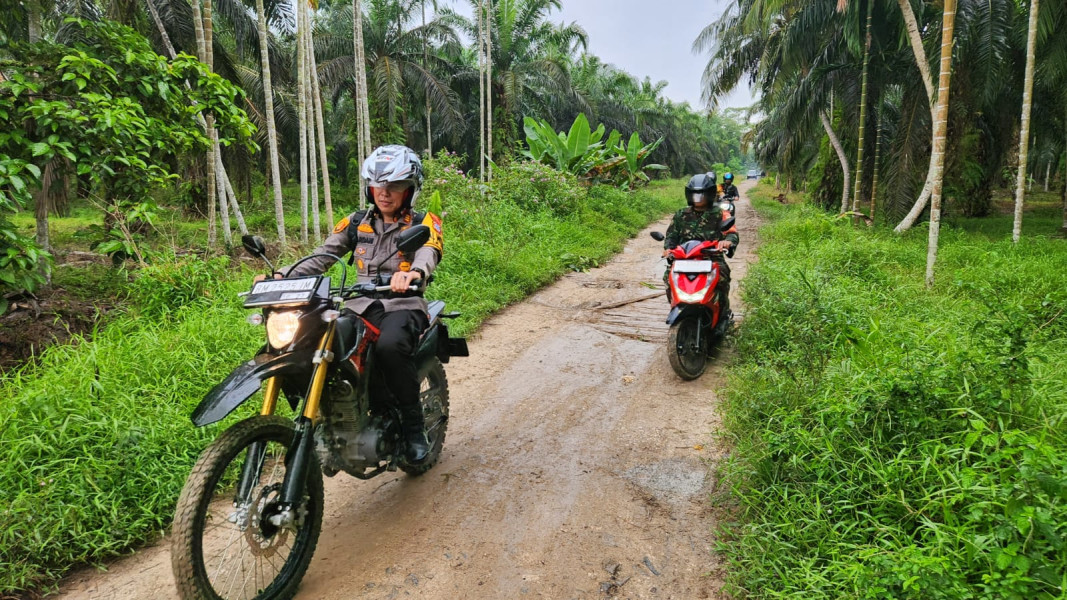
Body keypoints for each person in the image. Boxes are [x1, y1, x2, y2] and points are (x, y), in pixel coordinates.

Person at [262, 145, 444, 464]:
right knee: (306, 340)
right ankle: (322, 416)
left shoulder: (423, 220)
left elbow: (429, 250)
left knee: (390, 347)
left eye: (394, 187)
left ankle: (414, 430)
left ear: (410, 189)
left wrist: (414, 272)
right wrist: (282, 275)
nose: (384, 193)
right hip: (359, 305)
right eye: (377, 186)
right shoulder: (355, 222)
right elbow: (323, 256)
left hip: (401, 305)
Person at [662, 173, 739, 316]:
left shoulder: (720, 213)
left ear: (709, 194)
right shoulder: (681, 214)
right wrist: (668, 249)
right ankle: (676, 305)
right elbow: (672, 235)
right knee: (668, 276)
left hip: (711, 257)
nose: (698, 198)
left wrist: (728, 241)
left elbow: (731, 232)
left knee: (722, 278)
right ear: (689, 195)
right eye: (695, 194)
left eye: (701, 194)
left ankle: (723, 313)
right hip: (684, 257)